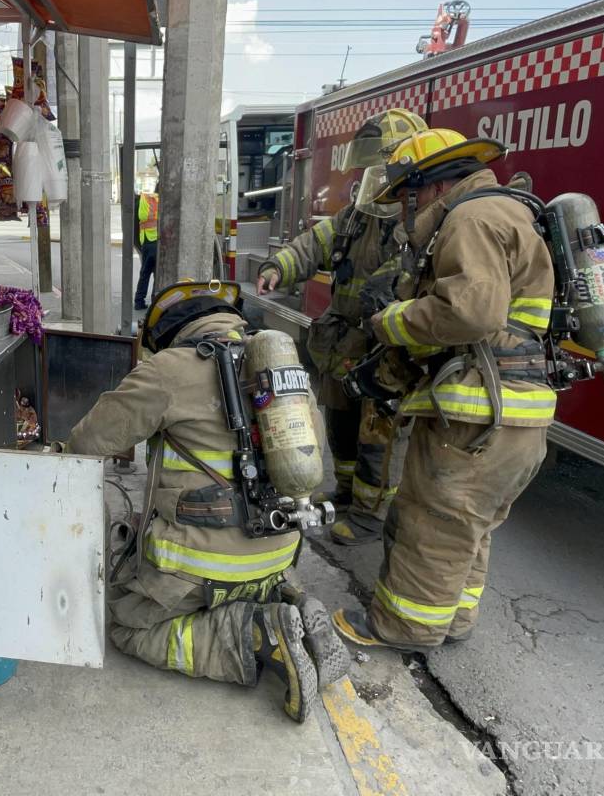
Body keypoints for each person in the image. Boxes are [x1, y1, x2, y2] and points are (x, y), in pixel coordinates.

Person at [65, 281, 348, 723]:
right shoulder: (287, 376)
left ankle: (254, 633)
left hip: (200, 574)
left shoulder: (169, 369)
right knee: (250, 564)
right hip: (277, 554)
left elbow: (87, 441)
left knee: (128, 626)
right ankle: (288, 599)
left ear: (170, 333)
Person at [330, 129, 555, 652]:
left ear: (428, 186)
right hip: (516, 415)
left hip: (478, 415)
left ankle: (403, 629)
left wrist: (392, 321)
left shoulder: (470, 219)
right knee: (469, 527)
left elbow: (470, 312)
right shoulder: (505, 213)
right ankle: (454, 618)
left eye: (405, 197)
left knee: (432, 522)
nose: (404, 213)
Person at [256, 109, 428, 547]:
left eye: (383, 170)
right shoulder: (357, 216)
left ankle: (372, 515)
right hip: (345, 343)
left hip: (387, 349)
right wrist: (279, 267)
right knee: (340, 423)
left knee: (378, 436)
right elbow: (314, 244)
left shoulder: (421, 224)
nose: (375, 179)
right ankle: (349, 492)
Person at [132, 183, 160, 310]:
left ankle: (139, 301)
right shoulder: (160, 203)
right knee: (158, 273)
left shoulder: (143, 200)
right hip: (157, 241)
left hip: (146, 241)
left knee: (145, 273)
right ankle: (155, 302)